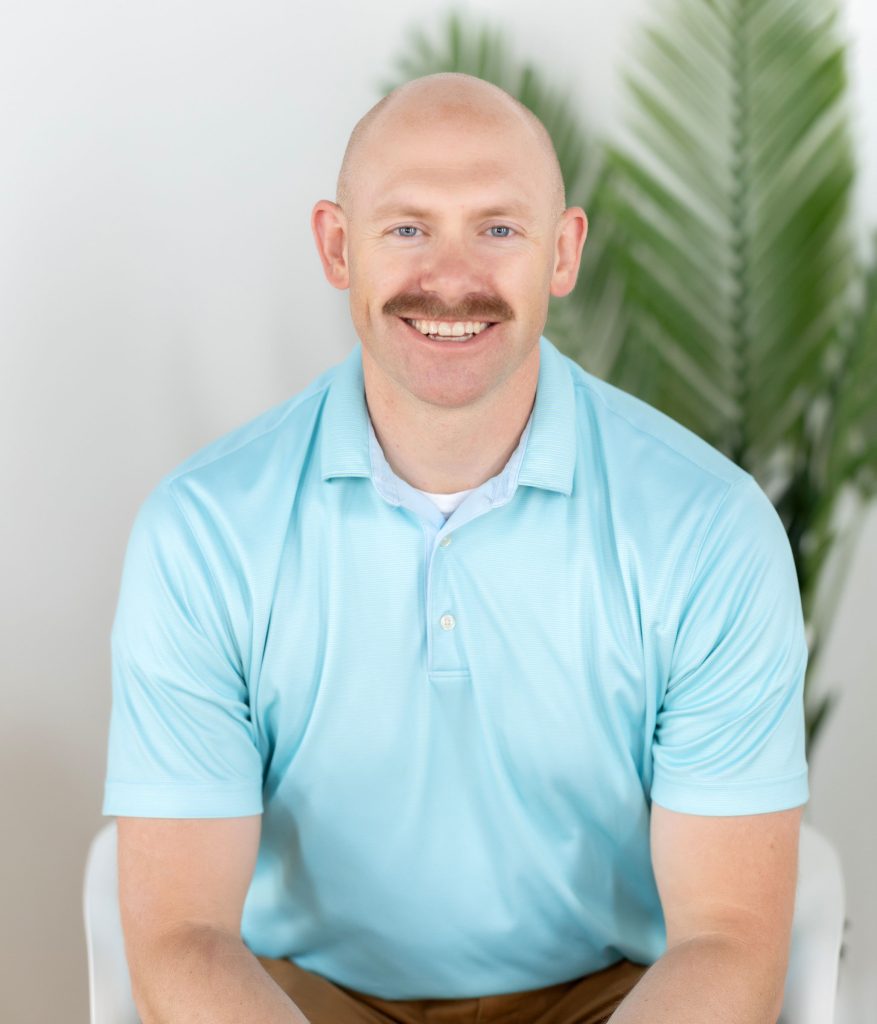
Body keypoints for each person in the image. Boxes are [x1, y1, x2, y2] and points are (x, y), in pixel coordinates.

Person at [102, 73, 809, 1024]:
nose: (450, 276)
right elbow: (182, 938)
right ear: (337, 247)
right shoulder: (203, 532)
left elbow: (727, 941)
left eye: (498, 228)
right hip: (301, 999)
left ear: (562, 253)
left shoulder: (709, 529)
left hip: (610, 998)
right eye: (407, 227)